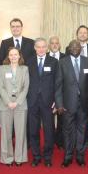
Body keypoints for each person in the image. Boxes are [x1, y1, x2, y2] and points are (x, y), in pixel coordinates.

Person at [55, 40, 88, 168]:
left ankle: (80, 156)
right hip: (67, 104)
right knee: (67, 131)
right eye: (72, 46)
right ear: (68, 48)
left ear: (81, 48)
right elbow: (58, 85)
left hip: (84, 103)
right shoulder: (62, 62)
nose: (75, 48)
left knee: (82, 130)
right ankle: (68, 156)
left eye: (77, 46)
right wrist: (59, 104)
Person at [26, 38, 58, 167]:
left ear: (47, 48)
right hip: (32, 101)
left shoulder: (54, 62)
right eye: (38, 47)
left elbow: (57, 82)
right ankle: (36, 156)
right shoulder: (28, 62)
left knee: (49, 131)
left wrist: (56, 101)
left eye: (43, 47)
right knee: (33, 130)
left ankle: (48, 157)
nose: (41, 49)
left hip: (48, 102)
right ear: (35, 48)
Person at [0, 47, 29, 166]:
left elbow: (26, 87)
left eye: (16, 54)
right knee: (6, 133)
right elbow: (0, 86)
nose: (14, 57)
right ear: (8, 56)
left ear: (19, 56)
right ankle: (7, 158)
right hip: (5, 105)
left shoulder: (25, 69)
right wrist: (8, 102)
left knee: (21, 133)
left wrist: (17, 101)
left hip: (20, 105)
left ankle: (19, 158)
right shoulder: (2, 68)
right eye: (11, 55)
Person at [48, 36, 66, 149]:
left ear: (59, 45)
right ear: (49, 45)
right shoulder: (44, 57)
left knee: (61, 120)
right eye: (52, 43)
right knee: (48, 121)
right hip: (48, 94)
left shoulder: (65, 57)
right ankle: (49, 142)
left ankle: (60, 142)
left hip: (62, 94)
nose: (54, 45)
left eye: (56, 43)